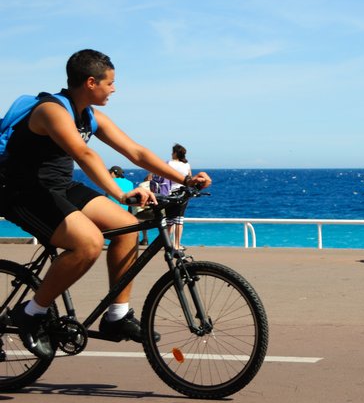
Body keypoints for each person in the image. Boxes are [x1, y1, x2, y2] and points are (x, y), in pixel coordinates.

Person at [0, 49, 211, 360]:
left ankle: (117, 316)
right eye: (110, 83)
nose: (114, 89)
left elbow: (135, 153)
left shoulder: (89, 115)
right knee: (87, 244)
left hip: (59, 188)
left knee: (128, 227)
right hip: (21, 191)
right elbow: (85, 156)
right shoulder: (51, 111)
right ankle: (31, 313)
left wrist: (185, 180)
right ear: (90, 82)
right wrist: (121, 193)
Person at [165, 143, 191, 251]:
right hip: (182, 194)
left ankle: (166, 243)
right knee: (179, 220)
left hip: (169, 194)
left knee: (169, 220)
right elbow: (189, 179)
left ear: (175, 153)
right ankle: (177, 244)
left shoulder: (168, 163)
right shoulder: (186, 165)